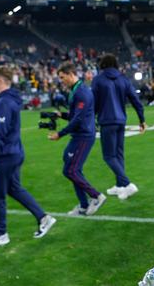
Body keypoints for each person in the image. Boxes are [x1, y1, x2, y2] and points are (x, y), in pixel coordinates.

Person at [0, 65, 56, 247]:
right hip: (14, 152)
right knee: (14, 189)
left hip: (4, 156)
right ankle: (43, 218)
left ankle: (0, 234)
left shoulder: (4, 102)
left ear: (1, 80)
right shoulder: (7, 100)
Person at [48, 63, 107, 216]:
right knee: (72, 167)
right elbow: (75, 116)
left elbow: (78, 120)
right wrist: (62, 115)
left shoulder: (82, 92)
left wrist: (59, 134)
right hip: (79, 135)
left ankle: (96, 196)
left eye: (62, 77)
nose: (61, 81)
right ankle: (83, 205)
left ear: (71, 74)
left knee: (70, 170)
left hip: (84, 136)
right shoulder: (75, 90)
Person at [92, 54, 146, 200]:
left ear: (102, 65)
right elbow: (135, 100)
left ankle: (127, 184)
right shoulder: (123, 79)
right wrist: (142, 119)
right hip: (121, 121)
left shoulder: (98, 80)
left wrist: (92, 119)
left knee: (109, 156)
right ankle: (120, 186)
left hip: (106, 121)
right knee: (118, 154)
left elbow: (94, 103)